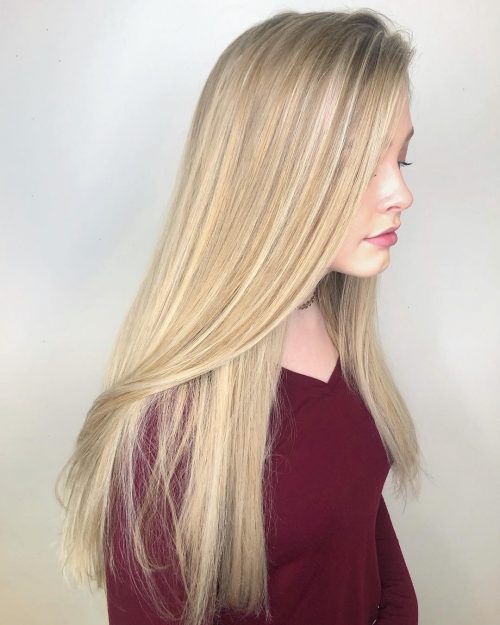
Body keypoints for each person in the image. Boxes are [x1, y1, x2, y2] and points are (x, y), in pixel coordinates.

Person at [55, 8, 426, 625]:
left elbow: (354, 514)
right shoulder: (166, 432)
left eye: (401, 160)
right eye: (362, 163)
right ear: (269, 178)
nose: (401, 194)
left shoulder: (335, 327)